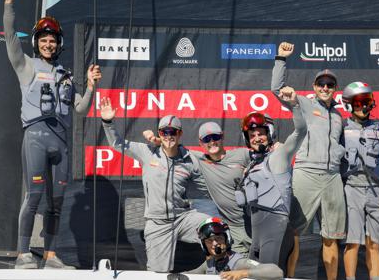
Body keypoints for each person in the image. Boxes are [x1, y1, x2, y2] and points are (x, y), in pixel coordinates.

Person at [0, 0, 102, 269]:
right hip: (35, 136)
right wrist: (9, 4)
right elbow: (9, 38)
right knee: (33, 197)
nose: (48, 43)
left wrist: (92, 86)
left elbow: (80, 109)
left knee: (56, 201)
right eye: (43, 39)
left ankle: (51, 255)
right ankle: (22, 254)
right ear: (36, 42)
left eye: (53, 40)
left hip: (61, 142)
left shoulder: (66, 74)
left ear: (59, 44)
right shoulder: (26, 66)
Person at [100, 97, 210, 272]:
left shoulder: (189, 158)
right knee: (157, 275)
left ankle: (211, 269)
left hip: (183, 218)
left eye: (173, 132)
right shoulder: (147, 152)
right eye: (164, 132)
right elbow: (117, 143)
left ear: (180, 134)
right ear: (159, 133)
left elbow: (212, 172)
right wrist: (108, 121)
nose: (169, 136)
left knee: (215, 229)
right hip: (158, 224)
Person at [271, 42, 346, 279]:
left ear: (335, 89)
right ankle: (290, 277)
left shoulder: (338, 115)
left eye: (330, 84)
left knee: (331, 235)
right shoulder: (304, 103)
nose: (325, 87)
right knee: (293, 231)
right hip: (306, 173)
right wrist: (281, 59)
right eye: (321, 84)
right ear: (315, 87)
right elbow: (276, 89)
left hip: (332, 177)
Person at [144, 122, 252, 256]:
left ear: (222, 137)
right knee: (239, 269)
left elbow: (265, 156)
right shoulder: (198, 159)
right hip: (233, 228)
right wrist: (158, 140)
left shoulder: (242, 155)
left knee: (268, 268)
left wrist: (276, 147)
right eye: (207, 139)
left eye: (215, 137)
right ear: (201, 143)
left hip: (257, 224)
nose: (212, 142)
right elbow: (174, 147)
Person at [235, 86, 306, 271]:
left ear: (269, 134)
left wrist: (295, 104)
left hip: (276, 227)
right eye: (252, 135)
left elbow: (301, 131)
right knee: (254, 274)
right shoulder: (252, 165)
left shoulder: (279, 155)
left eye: (261, 133)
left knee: (268, 274)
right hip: (258, 230)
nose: (257, 138)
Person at [340, 82, 379, 280]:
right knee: (353, 242)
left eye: (366, 102)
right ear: (348, 104)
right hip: (351, 190)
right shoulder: (340, 128)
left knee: (374, 243)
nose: (362, 106)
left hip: (375, 190)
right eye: (357, 103)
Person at [186, 217, 283, 280]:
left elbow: (277, 272)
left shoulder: (239, 262)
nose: (214, 244)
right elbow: (189, 274)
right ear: (204, 245)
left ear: (227, 240)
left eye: (218, 238)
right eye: (209, 241)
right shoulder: (209, 264)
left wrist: (242, 273)